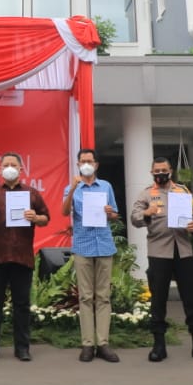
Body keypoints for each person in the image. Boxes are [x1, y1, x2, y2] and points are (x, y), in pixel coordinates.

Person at [130, 156, 193, 363]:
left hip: (184, 252)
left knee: (191, 299)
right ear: (152, 173)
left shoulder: (183, 192)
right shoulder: (146, 194)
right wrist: (147, 214)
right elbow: (134, 217)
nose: (160, 174)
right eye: (156, 171)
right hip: (159, 253)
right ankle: (159, 345)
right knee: (158, 300)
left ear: (171, 171)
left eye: (164, 170)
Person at [0, 152, 50, 362]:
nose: (9, 167)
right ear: (0, 169)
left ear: (21, 169)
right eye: (5, 164)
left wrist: (36, 217)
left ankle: (22, 348)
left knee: (22, 305)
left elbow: (46, 218)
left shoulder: (31, 193)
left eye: (13, 164)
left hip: (21, 256)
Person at [62, 148, 121, 363]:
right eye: (82, 161)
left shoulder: (106, 186)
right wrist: (72, 190)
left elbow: (115, 214)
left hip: (104, 245)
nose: (86, 164)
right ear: (78, 165)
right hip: (83, 247)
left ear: (96, 165)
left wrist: (109, 212)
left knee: (103, 296)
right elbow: (63, 212)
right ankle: (87, 344)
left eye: (90, 161)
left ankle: (103, 343)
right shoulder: (71, 187)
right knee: (86, 297)